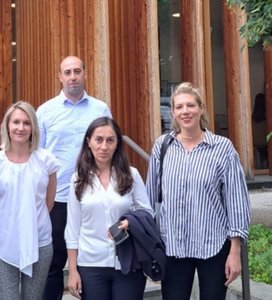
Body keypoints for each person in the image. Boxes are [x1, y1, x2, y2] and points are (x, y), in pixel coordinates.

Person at [146, 82, 251, 300]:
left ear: (201, 108)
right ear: (173, 112)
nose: (185, 111)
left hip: (213, 244)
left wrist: (235, 252)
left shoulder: (222, 148)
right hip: (173, 245)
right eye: (179, 107)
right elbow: (149, 198)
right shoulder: (162, 147)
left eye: (191, 105)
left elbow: (237, 201)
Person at [37, 55, 112, 299]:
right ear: (60, 77)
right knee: (53, 262)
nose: (72, 77)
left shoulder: (100, 109)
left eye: (77, 71)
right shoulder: (46, 111)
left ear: (85, 73)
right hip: (57, 199)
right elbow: (37, 157)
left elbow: (110, 146)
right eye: (67, 72)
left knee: (90, 262)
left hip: (93, 197)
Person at [65, 116, 153, 300]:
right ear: (89, 142)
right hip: (90, 264)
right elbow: (73, 229)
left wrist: (130, 222)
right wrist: (72, 271)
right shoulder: (78, 179)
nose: (104, 146)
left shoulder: (132, 175)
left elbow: (147, 213)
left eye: (110, 140)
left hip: (128, 262)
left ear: (117, 144)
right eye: (99, 140)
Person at [0, 101, 60, 299]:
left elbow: (48, 203)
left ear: (33, 127)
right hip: (4, 245)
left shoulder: (46, 160)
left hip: (39, 243)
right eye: (16, 122)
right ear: (7, 126)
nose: (21, 127)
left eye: (26, 122)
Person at [252, 93, 268, 169]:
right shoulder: (267, 119)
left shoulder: (251, 118)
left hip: (254, 145)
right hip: (265, 145)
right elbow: (269, 135)